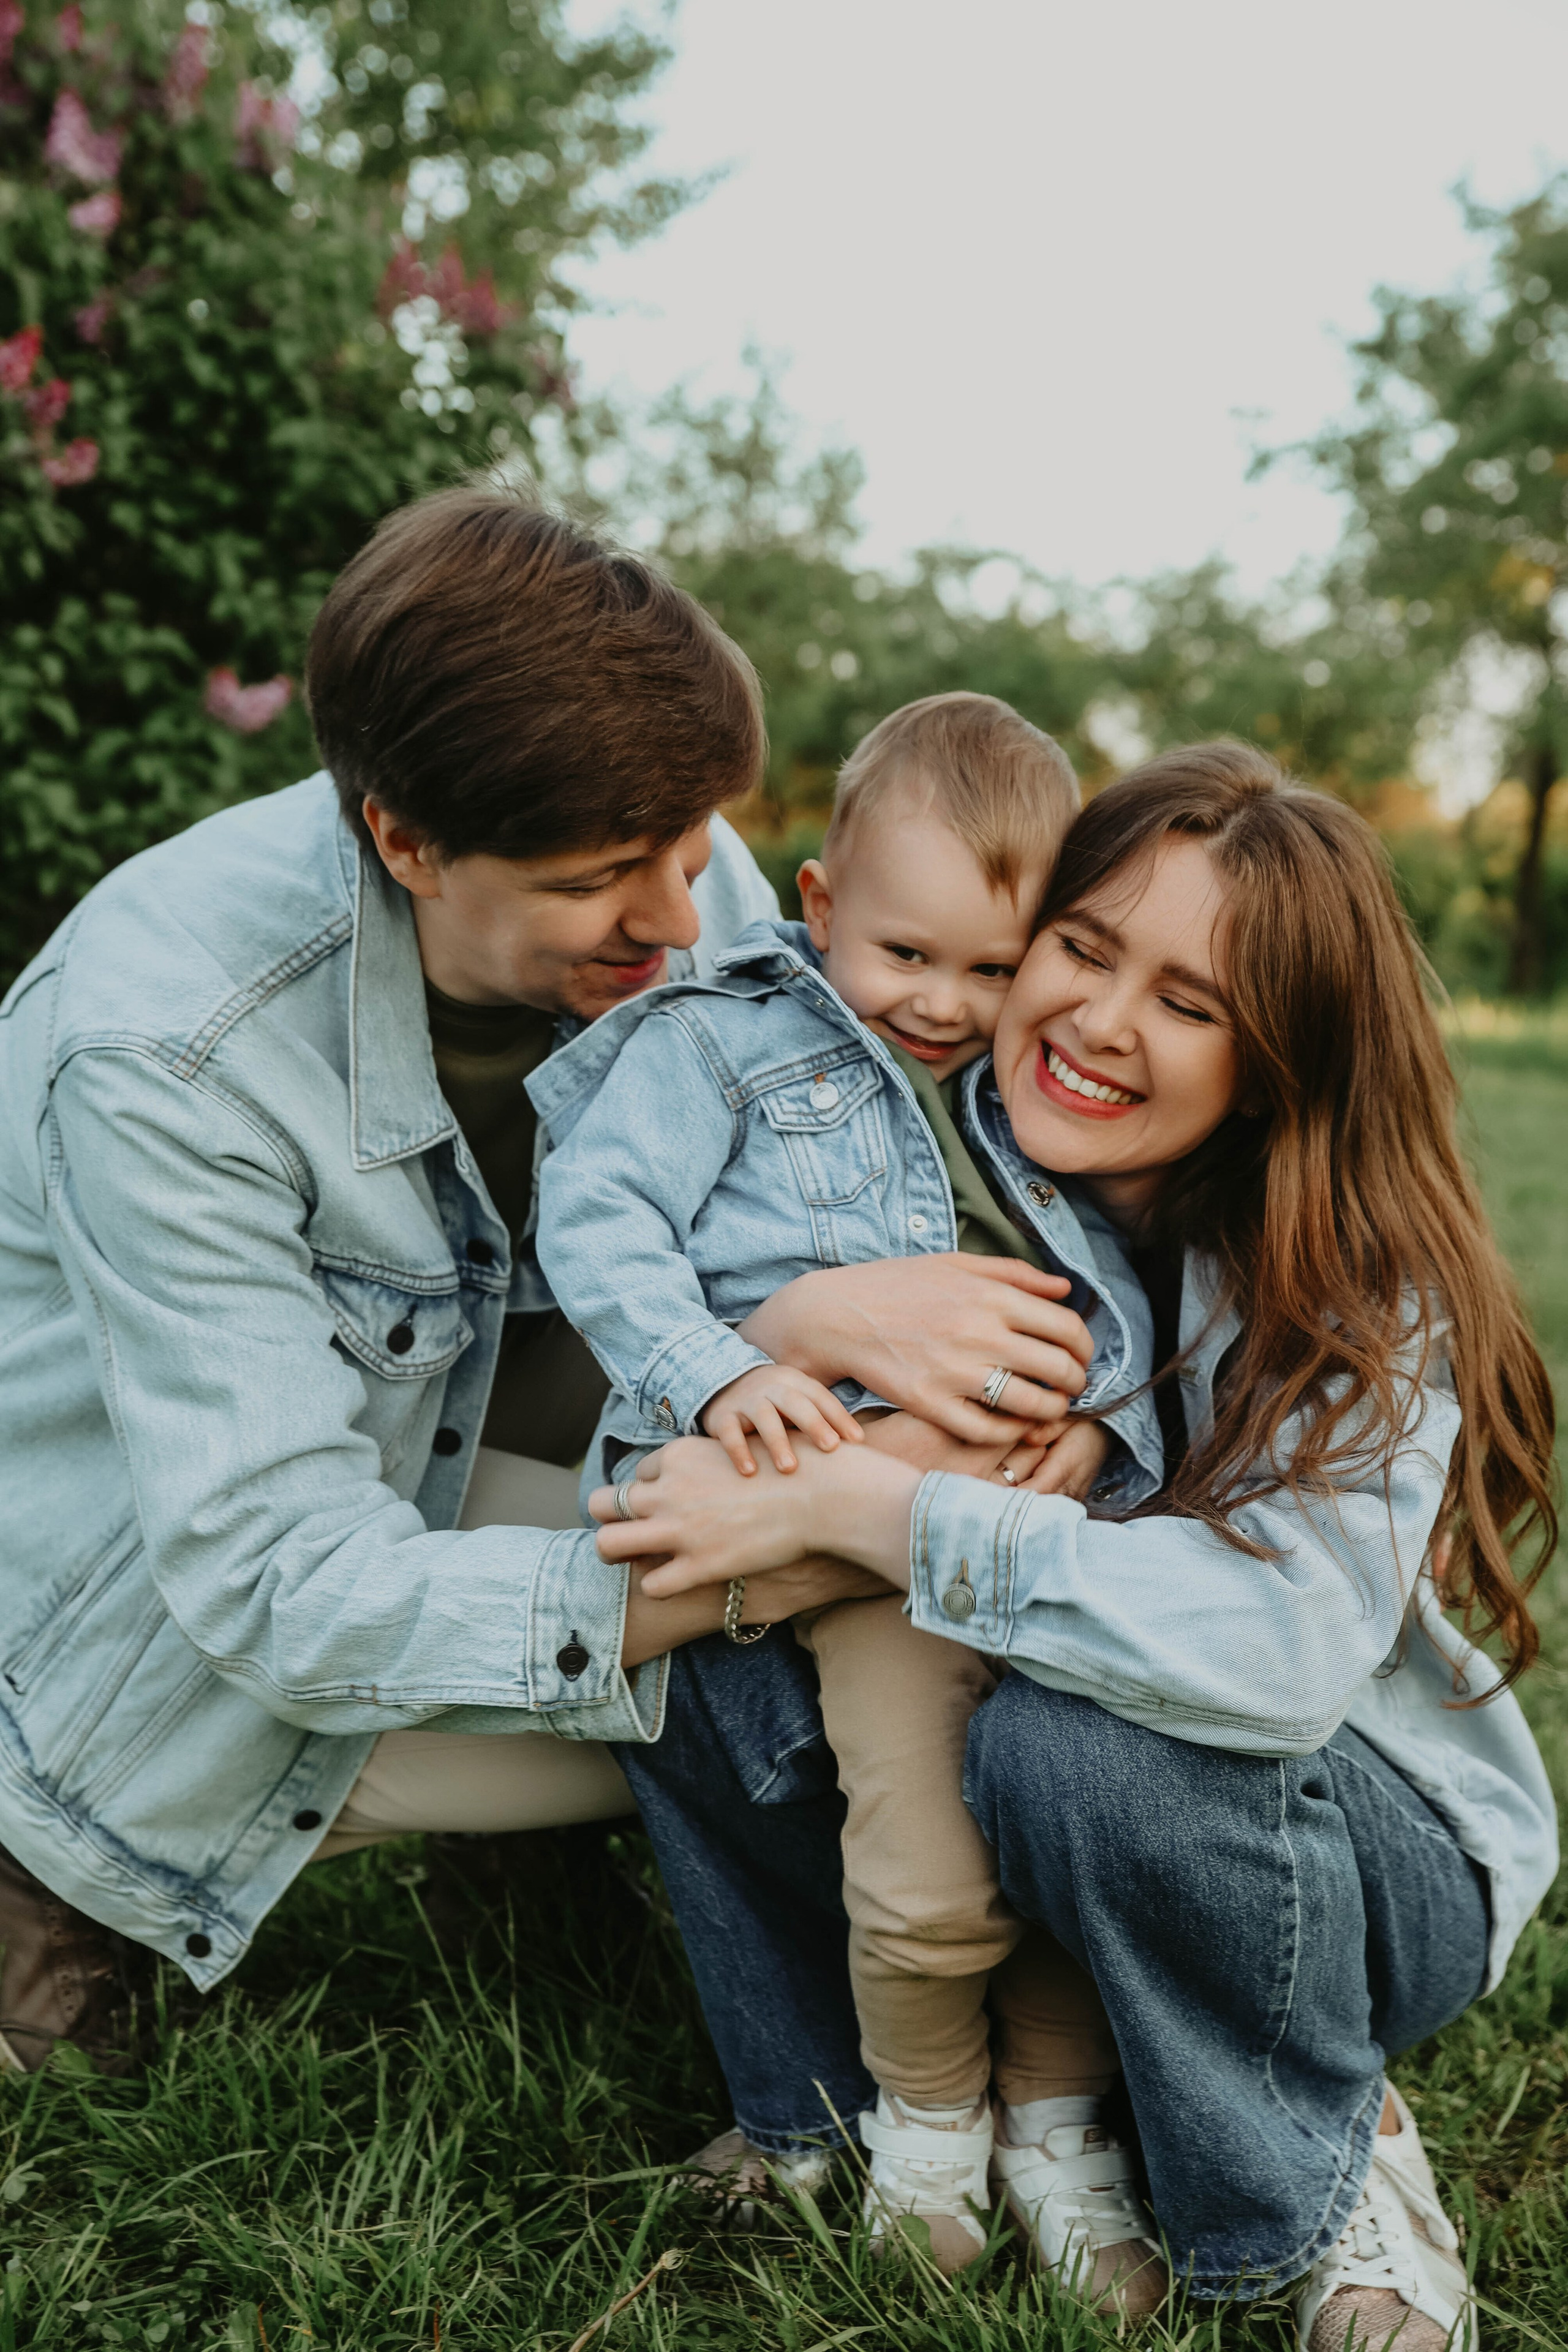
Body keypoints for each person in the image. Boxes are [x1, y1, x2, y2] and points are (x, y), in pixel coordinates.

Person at [0, 486, 1102, 2078]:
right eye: (604, 875)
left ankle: (559, 1822)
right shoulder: (169, 1053)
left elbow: (684, 1241)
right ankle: (56, 1855)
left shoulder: (681, 878)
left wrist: (804, 1330)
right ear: (405, 840)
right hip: (153, 1593)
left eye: (694, 843)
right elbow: (278, 1586)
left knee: (873, 1511)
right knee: (825, 1561)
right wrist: (778, 1553)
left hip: (473, 1399)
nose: (680, 913)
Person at [592, 742, 1559, 2346]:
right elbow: (670, 1317)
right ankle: (862, 2108)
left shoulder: (1353, 1285)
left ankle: (1331, 2151)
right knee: (727, 1650)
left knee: (1071, 1743)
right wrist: (784, 1322)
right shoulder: (911, 1144)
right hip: (1041, 1789)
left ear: (1274, 1059)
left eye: (1190, 1002)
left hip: (1343, 1848)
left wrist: (866, 1510)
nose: (1102, 1023)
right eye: (1085, 948)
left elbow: (1278, 1660)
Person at [533, 692, 1166, 2283]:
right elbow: (599, 1224)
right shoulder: (722, 1042)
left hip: (1020, 1506)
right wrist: (729, 1369)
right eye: (906, 956)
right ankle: (929, 2130)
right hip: (821, 1488)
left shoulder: (1036, 1086)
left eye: (992, 965)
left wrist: (1101, 1420)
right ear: (816, 902)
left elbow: (1124, 1280)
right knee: (932, 1857)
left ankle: (1064, 2128)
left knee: (1069, 1819)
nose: (947, 1004)